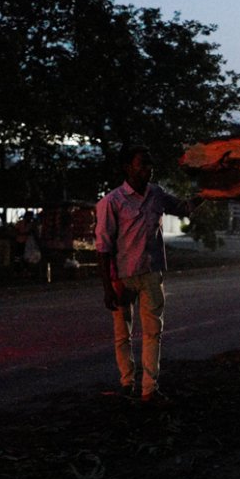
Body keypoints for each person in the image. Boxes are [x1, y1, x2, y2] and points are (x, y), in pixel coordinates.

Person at [95, 145, 202, 405]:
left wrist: (209, 192)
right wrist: (108, 287)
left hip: (152, 273)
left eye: (150, 164)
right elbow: (103, 247)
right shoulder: (112, 202)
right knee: (123, 333)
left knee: (153, 332)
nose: (148, 169)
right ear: (127, 167)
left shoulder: (156, 194)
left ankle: (149, 389)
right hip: (122, 276)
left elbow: (184, 208)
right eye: (142, 164)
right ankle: (126, 382)